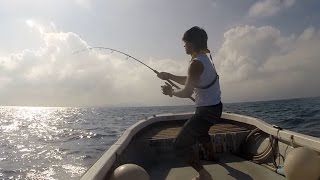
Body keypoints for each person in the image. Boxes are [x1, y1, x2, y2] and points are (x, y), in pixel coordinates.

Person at [157, 26, 222, 180]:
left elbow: (187, 92)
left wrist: (171, 92)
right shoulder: (204, 59)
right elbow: (192, 80)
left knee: (179, 145)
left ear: (191, 44)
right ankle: (212, 156)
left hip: (205, 112)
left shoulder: (195, 64)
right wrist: (170, 76)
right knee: (202, 132)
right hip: (216, 108)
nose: (184, 46)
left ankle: (204, 175)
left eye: (185, 43)